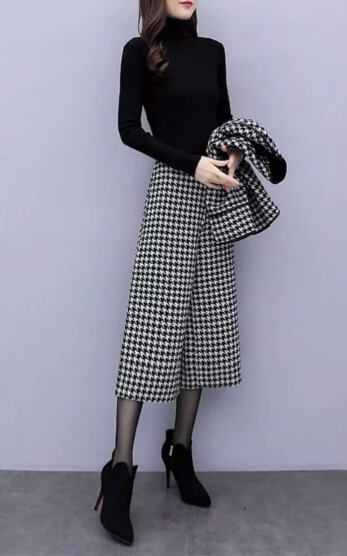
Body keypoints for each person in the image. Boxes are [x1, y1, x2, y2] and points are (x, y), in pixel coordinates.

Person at [95, 0, 246, 545]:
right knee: (151, 330)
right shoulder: (139, 51)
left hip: (216, 199)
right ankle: (119, 470)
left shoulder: (213, 52)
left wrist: (231, 155)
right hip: (171, 196)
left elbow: (225, 122)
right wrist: (192, 163)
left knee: (205, 328)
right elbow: (127, 130)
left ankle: (180, 451)